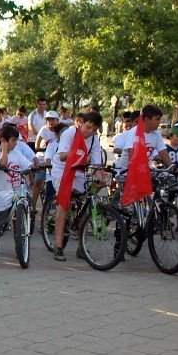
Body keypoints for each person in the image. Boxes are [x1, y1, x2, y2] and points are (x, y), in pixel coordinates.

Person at [50, 112, 104, 261]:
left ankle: (82, 245)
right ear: (82, 123)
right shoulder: (70, 133)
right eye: (88, 127)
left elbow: (97, 164)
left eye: (94, 129)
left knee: (89, 203)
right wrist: (78, 153)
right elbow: (61, 156)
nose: (90, 131)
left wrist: (101, 179)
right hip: (62, 169)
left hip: (79, 172)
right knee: (65, 202)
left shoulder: (94, 140)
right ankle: (58, 245)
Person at [0, 124, 33, 260]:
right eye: (13, 140)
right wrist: (4, 149)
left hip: (17, 191)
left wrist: (35, 167)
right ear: (4, 140)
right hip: (3, 194)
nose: (16, 143)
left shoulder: (17, 154)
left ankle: (19, 249)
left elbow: (28, 165)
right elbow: (2, 163)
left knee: (19, 221)